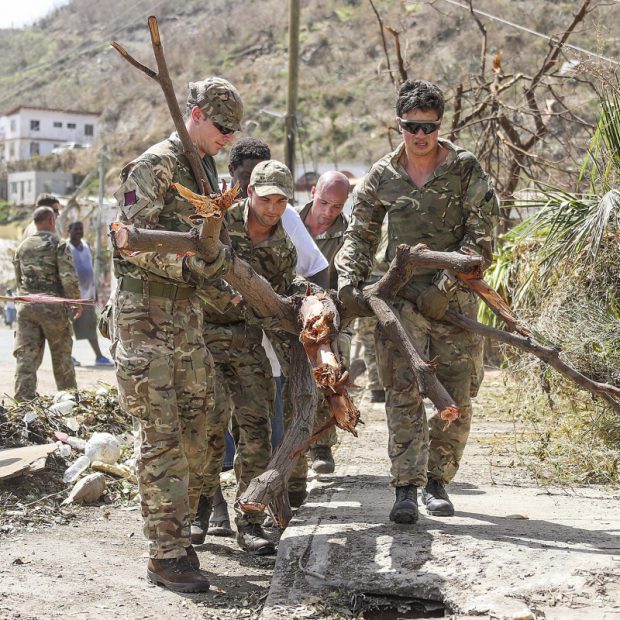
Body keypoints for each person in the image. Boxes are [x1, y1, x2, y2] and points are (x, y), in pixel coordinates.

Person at [336, 79, 499, 524]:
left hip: (456, 302)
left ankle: (437, 481)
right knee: (402, 392)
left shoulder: (465, 169)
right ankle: (406, 488)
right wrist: (349, 279)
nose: (420, 136)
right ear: (399, 126)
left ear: (439, 125)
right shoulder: (383, 174)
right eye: (411, 127)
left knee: (458, 393)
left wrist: (444, 289)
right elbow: (360, 233)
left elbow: (482, 237)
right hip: (401, 298)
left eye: (427, 127)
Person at [110, 76, 242, 592]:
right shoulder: (154, 165)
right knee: (161, 438)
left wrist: (219, 274)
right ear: (195, 114)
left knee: (198, 435)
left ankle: (178, 534)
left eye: (234, 130)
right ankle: (165, 554)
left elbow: (213, 244)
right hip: (145, 323)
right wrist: (190, 268)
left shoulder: (205, 170)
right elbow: (130, 241)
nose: (228, 138)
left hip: (187, 325)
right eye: (221, 126)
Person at [195, 160, 304, 555]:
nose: (273, 208)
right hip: (204, 337)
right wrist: (230, 299)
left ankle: (250, 522)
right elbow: (196, 271)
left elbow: (276, 303)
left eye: (281, 201)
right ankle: (201, 508)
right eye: (266, 198)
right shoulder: (220, 225)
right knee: (208, 432)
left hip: (246, 342)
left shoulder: (283, 250)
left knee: (257, 433)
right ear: (249, 193)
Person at [296, 171, 351, 474]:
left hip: (328, 314)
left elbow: (348, 278)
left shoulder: (347, 234)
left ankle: (321, 445)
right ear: (313, 191)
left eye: (337, 207)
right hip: (286, 306)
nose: (328, 212)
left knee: (328, 369)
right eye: (323, 202)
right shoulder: (288, 220)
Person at [13, 207, 82, 402]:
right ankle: (69, 400)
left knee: (26, 357)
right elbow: (68, 278)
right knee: (61, 356)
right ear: (52, 221)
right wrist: (76, 301)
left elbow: (19, 279)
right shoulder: (58, 244)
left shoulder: (22, 246)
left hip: (26, 306)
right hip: (53, 308)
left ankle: (22, 402)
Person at [67, 221, 113, 366]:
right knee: (68, 329)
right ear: (69, 230)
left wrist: (95, 293)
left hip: (87, 297)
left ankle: (99, 357)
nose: (79, 231)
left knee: (90, 327)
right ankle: (68, 357)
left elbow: (91, 270)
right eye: (76, 229)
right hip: (70, 297)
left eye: (81, 229)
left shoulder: (86, 246)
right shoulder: (66, 247)